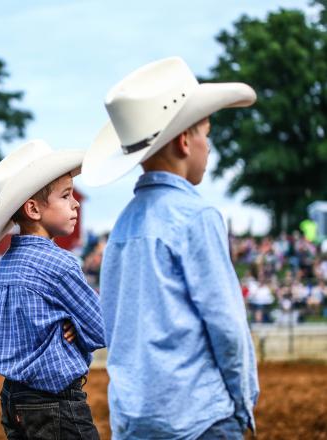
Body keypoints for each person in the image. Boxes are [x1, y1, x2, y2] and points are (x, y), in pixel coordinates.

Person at [82, 57, 259, 439]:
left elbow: (115, 325)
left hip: (136, 418)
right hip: (198, 417)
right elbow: (227, 325)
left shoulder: (123, 227)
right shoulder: (197, 216)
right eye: (206, 134)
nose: (208, 146)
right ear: (184, 141)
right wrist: (243, 402)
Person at [0, 139, 106, 439]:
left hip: (14, 399)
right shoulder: (61, 265)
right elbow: (103, 328)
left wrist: (70, 325)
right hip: (56, 403)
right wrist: (76, 327)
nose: (76, 202)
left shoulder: (7, 264)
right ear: (33, 209)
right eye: (66, 195)